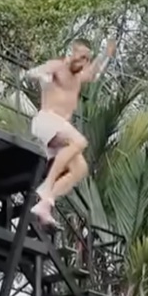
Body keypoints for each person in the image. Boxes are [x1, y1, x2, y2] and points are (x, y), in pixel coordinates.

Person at [23, 38, 114, 227]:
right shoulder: (57, 66)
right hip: (46, 121)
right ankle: (47, 188)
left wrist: (106, 54)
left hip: (60, 131)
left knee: (80, 169)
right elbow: (31, 73)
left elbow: (94, 74)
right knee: (80, 142)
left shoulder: (79, 77)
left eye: (86, 59)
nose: (83, 63)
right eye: (81, 58)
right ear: (71, 53)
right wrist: (42, 76)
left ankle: (45, 203)